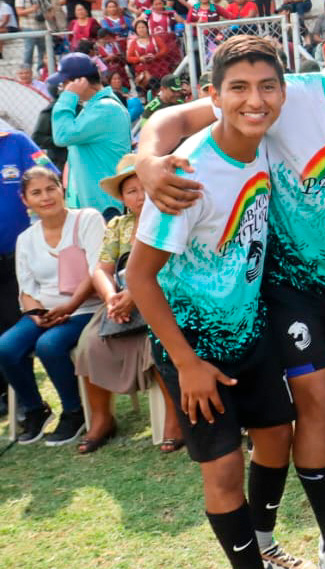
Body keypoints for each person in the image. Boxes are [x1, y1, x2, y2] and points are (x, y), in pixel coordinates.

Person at [138, 0, 325, 569]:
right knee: (316, 398)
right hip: (284, 286)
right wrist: (147, 160)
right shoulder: (285, 95)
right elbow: (177, 120)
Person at [127, 36, 313, 569]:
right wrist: (186, 364)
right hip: (194, 350)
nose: (255, 101)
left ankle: (264, 540)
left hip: (249, 332)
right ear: (214, 95)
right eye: (238, 89)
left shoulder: (261, 147)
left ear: (283, 92)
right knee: (224, 468)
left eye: (266, 87)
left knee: (278, 437)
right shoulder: (186, 175)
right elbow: (140, 278)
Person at [73, 155, 183, 454]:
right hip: (120, 302)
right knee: (89, 344)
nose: (139, 196)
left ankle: (175, 418)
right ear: (122, 197)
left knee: (159, 344)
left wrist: (136, 296)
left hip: (162, 297)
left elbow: (174, 265)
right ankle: (102, 418)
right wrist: (112, 298)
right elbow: (101, 269)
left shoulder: (170, 217)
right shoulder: (118, 226)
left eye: (144, 187)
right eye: (130, 190)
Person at [0, 167, 102, 445]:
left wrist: (69, 307)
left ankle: (74, 411)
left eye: (50, 189)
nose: (45, 197)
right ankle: (35, 410)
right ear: (25, 200)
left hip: (85, 309)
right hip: (43, 312)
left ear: (62, 189)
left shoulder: (88, 219)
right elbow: (26, 288)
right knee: (6, 347)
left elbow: (97, 273)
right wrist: (36, 315)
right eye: (36, 192)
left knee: (49, 345)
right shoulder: (26, 238)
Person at [0, 130, 56, 418]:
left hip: (14, 259)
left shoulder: (16, 142)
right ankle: (4, 396)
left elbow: (48, 176)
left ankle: (27, 403)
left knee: (13, 327)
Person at [49, 53, 132, 217]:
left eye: (65, 84)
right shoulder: (95, 107)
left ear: (81, 81)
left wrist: (68, 97)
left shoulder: (105, 109)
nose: (63, 88)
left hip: (105, 207)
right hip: (96, 205)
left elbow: (62, 135)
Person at [15, 0, 51, 68]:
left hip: (42, 27)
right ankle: (27, 70)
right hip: (28, 27)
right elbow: (19, 12)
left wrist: (48, 15)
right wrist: (32, 9)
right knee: (29, 50)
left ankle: (41, 72)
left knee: (42, 51)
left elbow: (50, 8)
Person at [128, 18, 173, 89]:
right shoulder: (134, 43)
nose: (141, 29)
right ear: (136, 30)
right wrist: (140, 59)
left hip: (159, 66)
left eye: (143, 27)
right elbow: (129, 58)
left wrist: (155, 56)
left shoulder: (155, 39)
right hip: (143, 68)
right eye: (139, 28)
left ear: (147, 28)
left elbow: (164, 49)